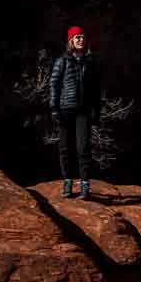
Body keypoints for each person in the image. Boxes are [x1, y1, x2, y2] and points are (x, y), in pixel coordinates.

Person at [49, 25, 102, 198]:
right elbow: (54, 86)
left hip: (84, 111)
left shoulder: (91, 63)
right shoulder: (62, 61)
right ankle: (67, 184)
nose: (80, 39)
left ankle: (85, 186)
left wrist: (97, 112)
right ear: (71, 41)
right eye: (76, 37)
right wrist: (54, 109)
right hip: (65, 110)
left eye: (82, 37)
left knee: (83, 148)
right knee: (65, 148)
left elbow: (96, 91)